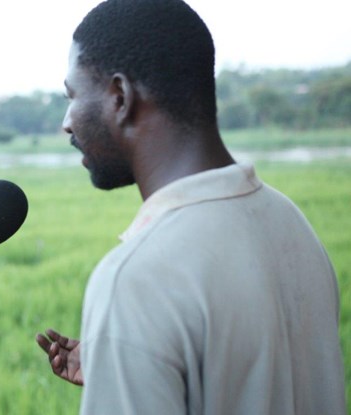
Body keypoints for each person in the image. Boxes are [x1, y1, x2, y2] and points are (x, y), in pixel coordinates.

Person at [36, 0, 346, 414]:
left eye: (72, 96)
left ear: (119, 97)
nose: (67, 122)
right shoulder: (291, 222)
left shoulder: (136, 279)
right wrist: (135, 365)